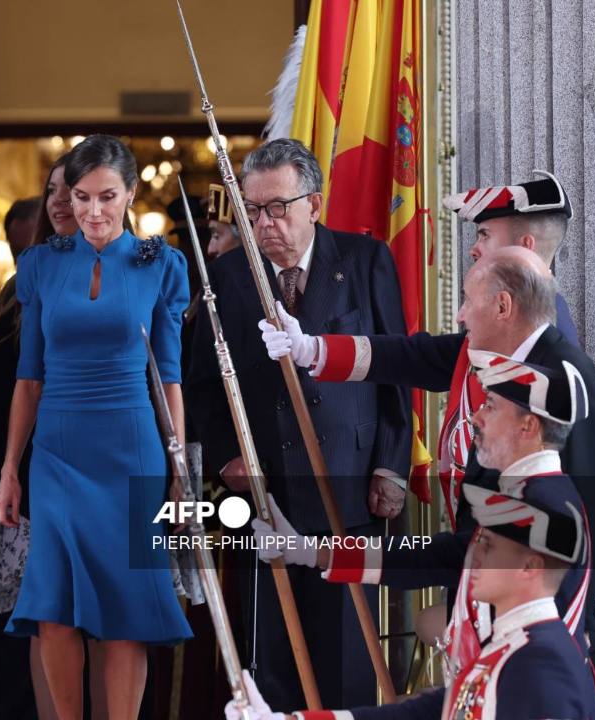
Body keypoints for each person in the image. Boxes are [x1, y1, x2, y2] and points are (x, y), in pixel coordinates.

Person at [260, 246, 595, 672]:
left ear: (503, 306)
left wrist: (584, 615)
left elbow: (591, 500)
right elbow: (409, 355)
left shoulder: (563, 380)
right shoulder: (497, 354)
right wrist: (312, 349)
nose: (460, 314)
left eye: (467, 300)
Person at [235, 349, 595, 719]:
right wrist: (314, 551)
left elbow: (441, 559)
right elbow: (437, 555)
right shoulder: (526, 495)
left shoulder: (543, 506)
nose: (475, 417)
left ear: (528, 427)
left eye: (490, 406)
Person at [185, 138, 412, 710]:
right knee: (277, 654)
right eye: (253, 212)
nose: (265, 224)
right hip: (268, 492)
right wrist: (223, 456)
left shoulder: (364, 261)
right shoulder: (228, 276)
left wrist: (390, 463)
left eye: (277, 208)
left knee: (348, 652)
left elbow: (394, 369)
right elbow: (202, 386)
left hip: (350, 482)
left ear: (314, 202)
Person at [0, 134, 192, 719]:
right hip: (56, 453)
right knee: (53, 611)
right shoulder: (41, 265)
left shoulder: (162, 265)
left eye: (107, 196)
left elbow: (170, 379)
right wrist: (9, 472)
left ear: (130, 194)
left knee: (127, 617)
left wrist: (178, 467)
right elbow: (28, 379)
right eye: (81, 197)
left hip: (133, 454)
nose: (93, 212)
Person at [0, 159, 79, 720]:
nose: (57, 202)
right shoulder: (14, 292)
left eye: (69, 191)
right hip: (30, 473)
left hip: (108, 464)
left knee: (108, 626)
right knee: (43, 619)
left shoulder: (134, 273)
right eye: (51, 190)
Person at [445, 171, 578, 342]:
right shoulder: (527, 311)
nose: (473, 249)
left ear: (525, 247)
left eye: (485, 235)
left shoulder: (543, 330)